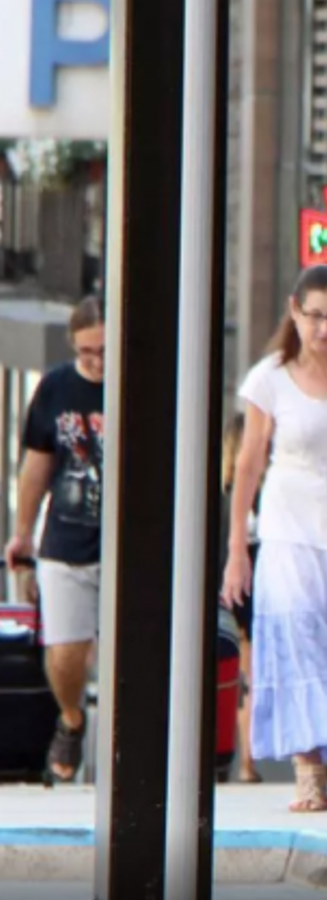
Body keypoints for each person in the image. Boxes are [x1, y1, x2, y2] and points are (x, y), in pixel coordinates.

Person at [222, 264, 327, 812]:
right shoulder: (269, 377)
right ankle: (308, 775)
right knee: (300, 644)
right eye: (314, 316)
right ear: (294, 312)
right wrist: (235, 552)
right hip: (287, 533)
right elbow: (248, 464)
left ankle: (322, 756)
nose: (324, 329)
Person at [3, 298, 105, 783]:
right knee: (65, 649)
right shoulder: (57, 388)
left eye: (106, 350)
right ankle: (71, 718)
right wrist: (22, 534)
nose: (98, 362)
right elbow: (36, 467)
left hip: (131, 540)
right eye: (88, 352)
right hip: (68, 536)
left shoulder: (145, 381)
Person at [220, 412, 262, 783]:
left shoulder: (221, 494)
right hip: (258, 581)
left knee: (241, 673)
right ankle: (248, 759)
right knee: (251, 673)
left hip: (229, 588)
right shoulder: (262, 493)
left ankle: (246, 759)